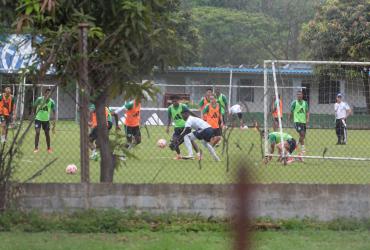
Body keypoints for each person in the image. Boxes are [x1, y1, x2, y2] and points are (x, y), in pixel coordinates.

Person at [166, 95, 191, 160]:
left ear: (178, 101)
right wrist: (168, 127)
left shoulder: (183, 106)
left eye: (175, 101)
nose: (174, 102)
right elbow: (169, 118)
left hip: (185, 127)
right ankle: (179, 155)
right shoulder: (170, 108)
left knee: (190, 141)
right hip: (177, 128)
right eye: (173, 101)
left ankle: (198, 154)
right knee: (173, 143)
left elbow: (189, 115)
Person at [33, 88, 56, 153]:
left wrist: (54, 119)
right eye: (47, 93)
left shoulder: (52, 102)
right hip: (38, 119)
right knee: (37, 132)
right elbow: (34, 106)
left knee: (47, 134)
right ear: (45, 93)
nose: (48, 94)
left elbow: (54, 111)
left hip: (46, 120)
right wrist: (35, 115)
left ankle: (49, 148)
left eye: (49, 93)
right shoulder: (39, 99)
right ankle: (36, 148)